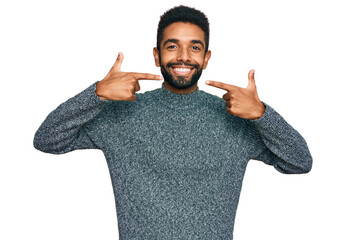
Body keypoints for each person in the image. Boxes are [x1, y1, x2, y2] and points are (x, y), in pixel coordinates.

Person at [34, 5, 312, 240]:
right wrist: (95, 94)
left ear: (206, 58)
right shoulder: (121, 115)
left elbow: (299, 162)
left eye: (194, 47)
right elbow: (47, 140)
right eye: (172, 46)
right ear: (157, 55)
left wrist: (263, 114)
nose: (183, 57)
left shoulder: (235, 119)